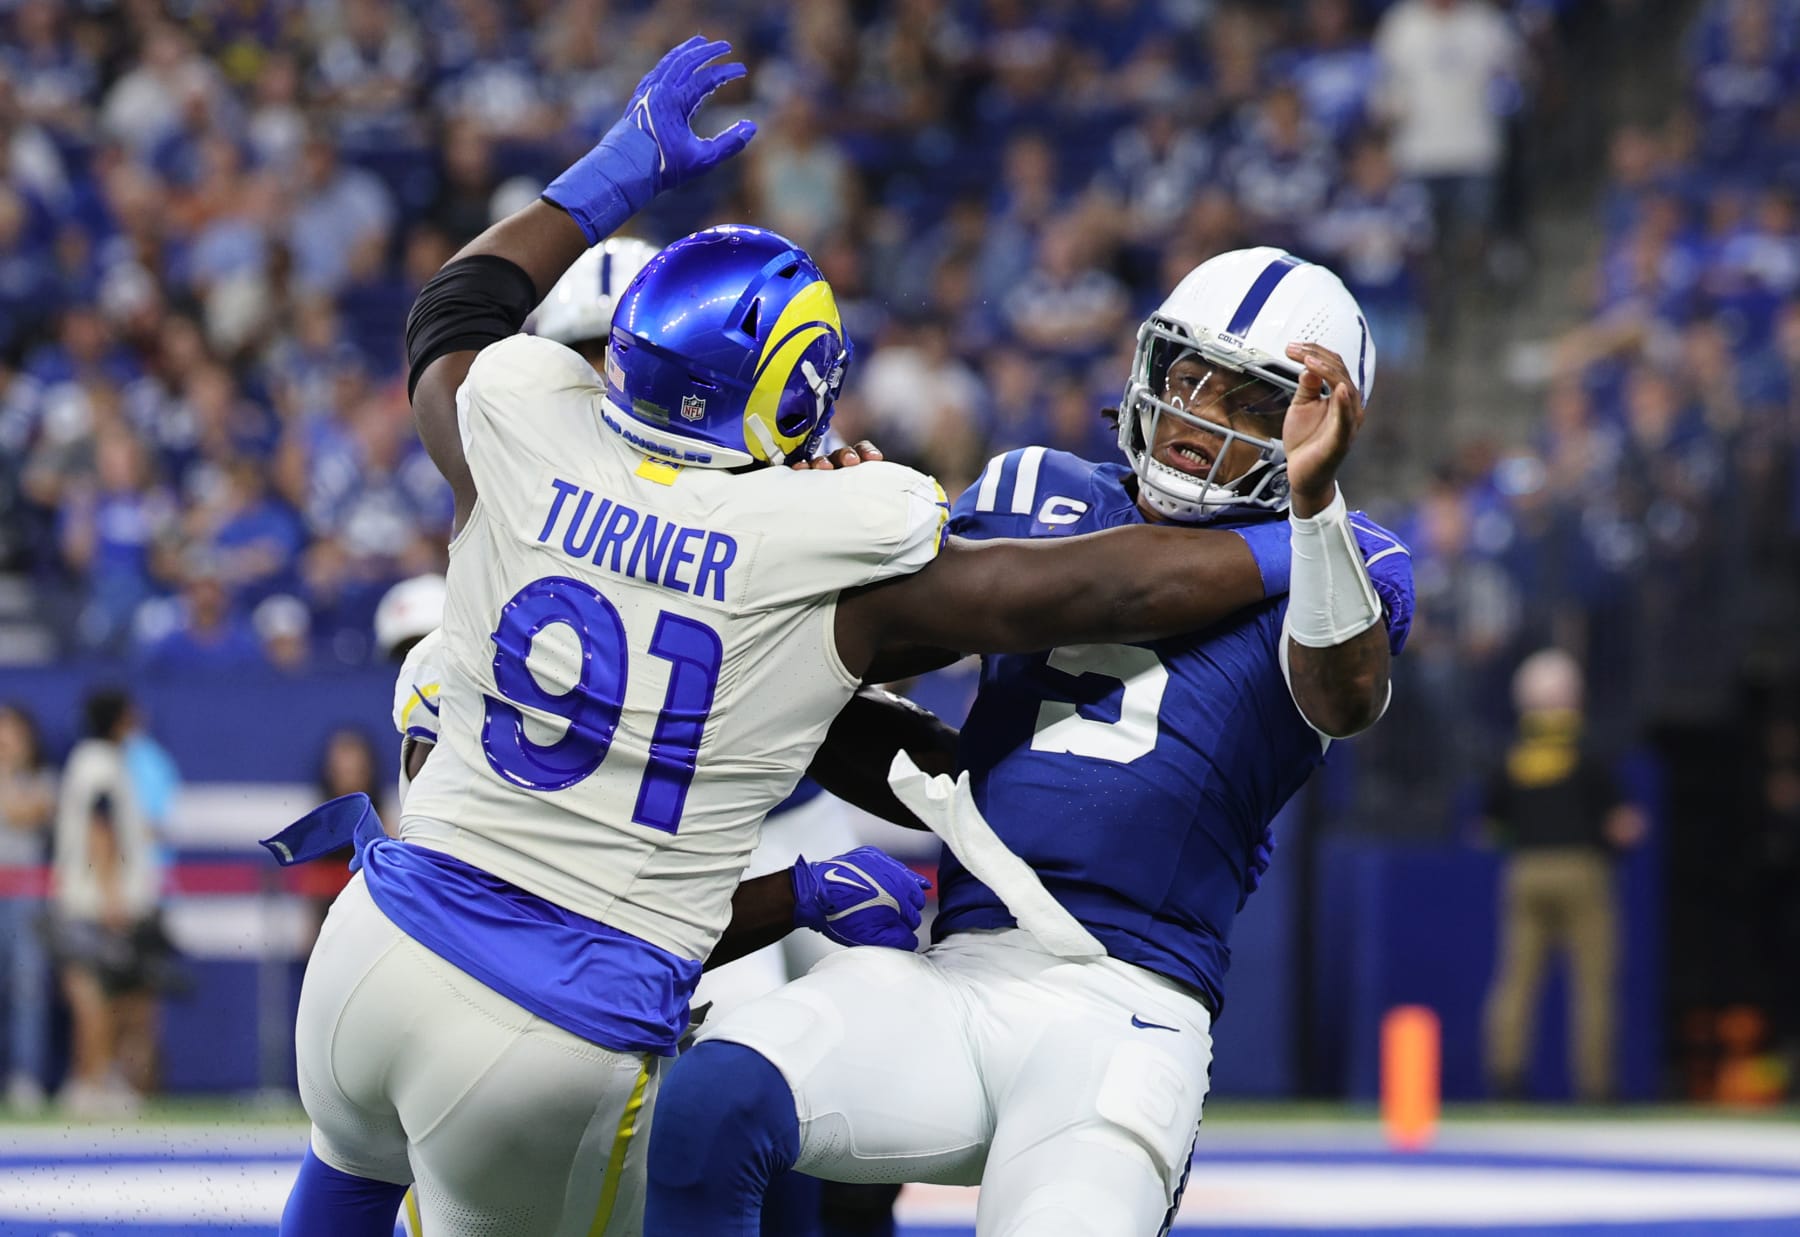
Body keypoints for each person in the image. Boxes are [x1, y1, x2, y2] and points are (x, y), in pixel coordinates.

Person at [286, 38, 1296, 1237]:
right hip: (548, 1026)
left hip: (372, 956)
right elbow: (1086, 596)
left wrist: (611, 175)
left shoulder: (512, 431)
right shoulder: (822, 545)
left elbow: (454, 308)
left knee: (347, 1184)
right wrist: (1309, 536)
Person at [643, 247, 1415, 1236]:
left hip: (1124, 1008)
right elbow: (886, 661)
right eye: (1185, 378)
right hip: (957, 974)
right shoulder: (1033, 488)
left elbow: (1344, 696)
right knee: (706, 1105)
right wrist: (839, 548)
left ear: (1318, 419)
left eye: (1246, 401)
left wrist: (1310, 507)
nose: (1194, 419)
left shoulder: (1346, 553)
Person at [1481, 647, 1645, 1102]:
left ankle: (1506, 1078)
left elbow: (1490, 827)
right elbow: (1622, 824)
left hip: (1526, 871)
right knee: (1593, 983)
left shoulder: (1511, 753)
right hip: (1582, 870)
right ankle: (1596, 1086)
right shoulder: (1588, 749)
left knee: (1516, 980)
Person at [49, 689, 163, 1117]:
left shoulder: (93, 761)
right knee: (97, 996)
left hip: (88, 900)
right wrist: (112, 895)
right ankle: (91, 1083)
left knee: (107, 996)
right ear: (118, 720)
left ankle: (96, 1080)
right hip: (95, 904)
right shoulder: (100, 764)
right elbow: (101, 827)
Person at [0, 704, 55, 1113]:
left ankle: (26, 1079)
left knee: (27, 988)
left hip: (25, 897)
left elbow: (26, 812)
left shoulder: (42, 779)